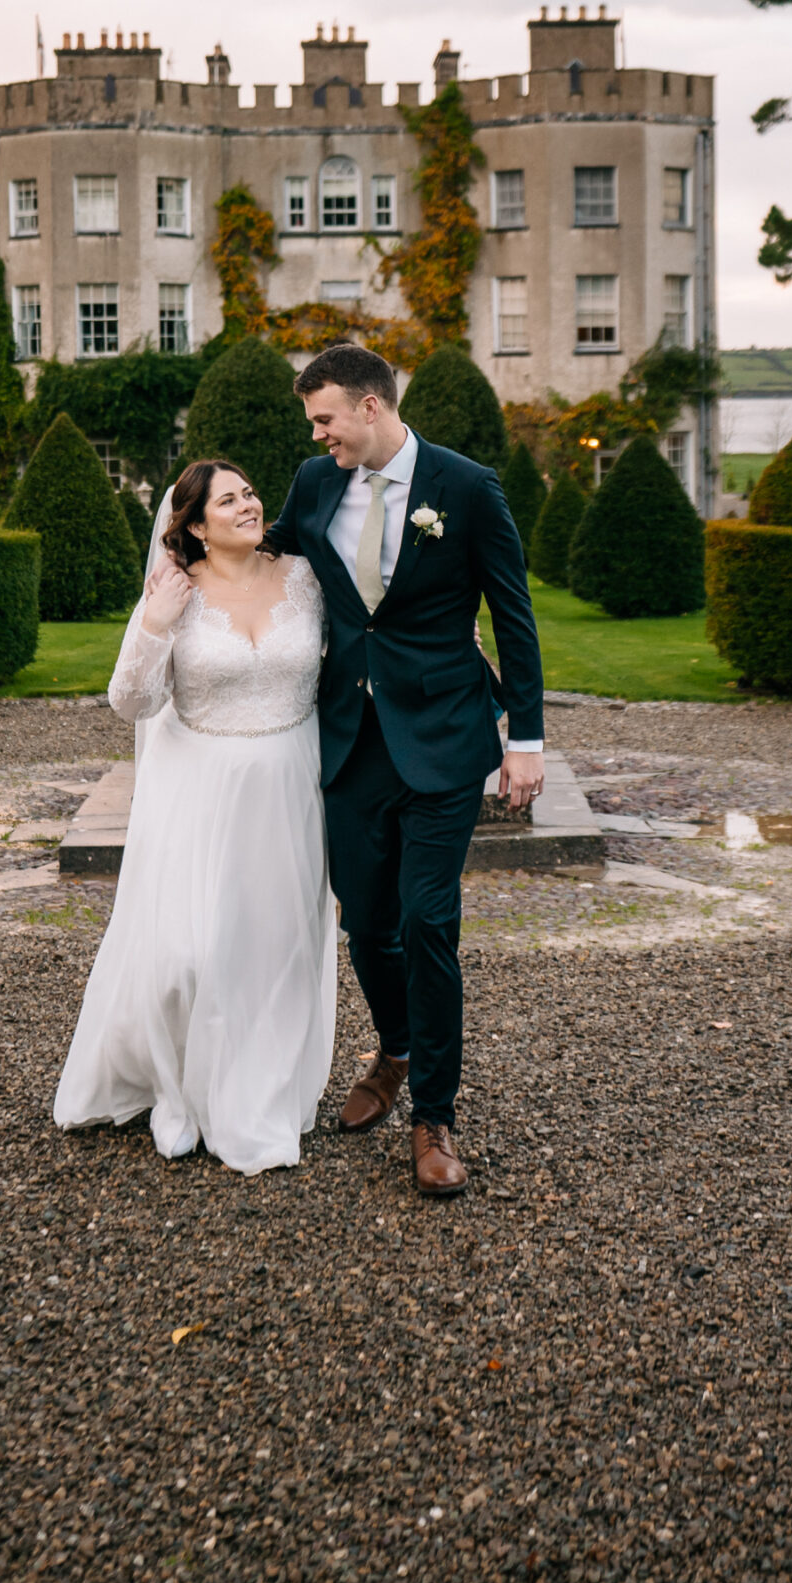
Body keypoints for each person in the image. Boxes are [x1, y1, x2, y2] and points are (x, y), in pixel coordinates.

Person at [267, 341, 544, 1197]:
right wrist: (183, 552)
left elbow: (513, 612)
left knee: (429, 922)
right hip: (348, 739)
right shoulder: (315, 485)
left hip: (447, 736)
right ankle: (393, 1047)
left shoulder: (466, 487)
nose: (318, 438)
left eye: (325, 420)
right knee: (367, 927)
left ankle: (435, 1115)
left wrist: (525, 738)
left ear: (370, 407)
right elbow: (266, 555)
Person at [53, 460, 335, 1175]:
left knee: (275, 947)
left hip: (289, 785)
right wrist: (153, 621)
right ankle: (180, 1086)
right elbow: (132, 702)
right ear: (195, 525)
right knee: (190, 951)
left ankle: (256, 1095)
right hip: (200, 791)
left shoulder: (304, 577)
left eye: (250, 491)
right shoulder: (175, 591)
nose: (248, 504)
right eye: (228, 499)